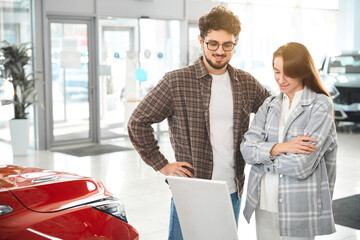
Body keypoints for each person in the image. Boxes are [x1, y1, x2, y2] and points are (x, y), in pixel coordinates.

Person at [127, 5, 270, 240]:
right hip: (192, 188)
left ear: (235, 44)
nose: (219, 51)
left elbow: (273, 112)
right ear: (201, 40)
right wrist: (162, 164)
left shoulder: (246, 82)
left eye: (227, 45)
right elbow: (138, 122)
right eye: (213, 43)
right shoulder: (177, 81)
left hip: (232, 189)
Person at [241, 42, 338, 240]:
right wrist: (282, 147)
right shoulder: (269, 104)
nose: (280, 79)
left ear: (303, 71)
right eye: (276, 71)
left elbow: (302, 165)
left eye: (288, 73)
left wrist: (264, 157)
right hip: (263, 199)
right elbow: (246, 149)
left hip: (299, 204)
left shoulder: (320, 105)